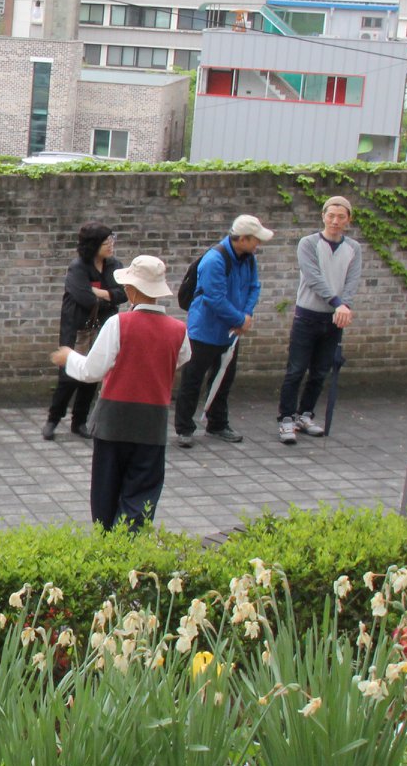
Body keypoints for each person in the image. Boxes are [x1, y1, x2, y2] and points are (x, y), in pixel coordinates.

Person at [52, 255, 191, 531]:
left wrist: (69, 357)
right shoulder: (178, 330)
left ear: (132, 290)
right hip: (152, 423)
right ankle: (130, 545)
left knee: (106, 490)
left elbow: (92, 370)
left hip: (114, 422)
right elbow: (181, 358)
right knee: (142, 493)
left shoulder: (118, 324)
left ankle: (108, 546)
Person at [172, 213, 272, 448]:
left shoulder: (248, 258)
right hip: (205, 330)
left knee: (224, 377)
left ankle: (217, 423)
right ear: (244, 239)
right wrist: (239, 318)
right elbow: (214, 298)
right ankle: (184, 428)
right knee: (193, 379)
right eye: (256, 239)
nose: (259, 244)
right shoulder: (214, 260)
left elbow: (253, 286)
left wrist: (246, 316)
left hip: (231, 331)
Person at [276, 196, 362, 445]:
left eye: (341, 217)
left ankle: (306, 414)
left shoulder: (353, 248)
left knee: (320, 371)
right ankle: (286, 418)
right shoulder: (308, 243)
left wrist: (345, 305)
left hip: (334, 320)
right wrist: (338, 303)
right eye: (331, 215)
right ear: (323, 216)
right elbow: (313, 277)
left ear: (348, 219)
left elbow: (352, 280)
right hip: (307, 316)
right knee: (296, 370)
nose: (335, 221)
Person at [43, 222, 121, 442]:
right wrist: (109, 295)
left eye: (112, 240)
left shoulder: (114, 265)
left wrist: (101, 293)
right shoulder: (78, 267)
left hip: (102, 328)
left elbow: (124, 293)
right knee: (68, 377)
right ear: (93, 245)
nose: (111, 245)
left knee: (92, 375)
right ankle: (53, 419)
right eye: (106, 242)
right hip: (77, 329)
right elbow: (85, 298)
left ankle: (80, 422)